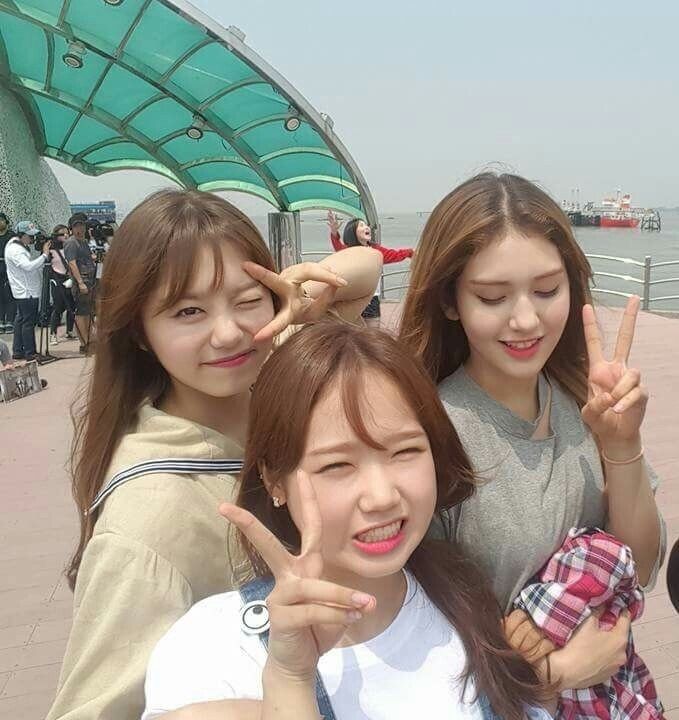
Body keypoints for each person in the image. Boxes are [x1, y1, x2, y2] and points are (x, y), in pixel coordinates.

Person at [46, 190, 382, 720]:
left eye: (247, 300)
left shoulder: (268, 376)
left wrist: (291, 300)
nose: (228, 334)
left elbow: (365, 269)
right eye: (189, 311)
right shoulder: (149, 519)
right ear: (138, 331)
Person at [143, 322, 550, 720]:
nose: (382, 497)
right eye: (337, 465)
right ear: (274, 480)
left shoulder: (464, 600)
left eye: (405, 452)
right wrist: (290, 679)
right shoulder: (214, 649)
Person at [399, 172, 666, 694]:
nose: (526, 320)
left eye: (547, 290)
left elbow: (642, 565)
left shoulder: (583, 398)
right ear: (450, 301)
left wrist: (622, 446)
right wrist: (553, 677)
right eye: (492, 297)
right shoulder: (428, 431)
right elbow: (410, 632)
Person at [327, 210, 414, 325]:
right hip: (352, 298)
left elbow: (393, 254)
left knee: (373, 330)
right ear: (352, 232)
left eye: (366, 225)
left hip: (372, 299)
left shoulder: (375, 250)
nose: (366, 227)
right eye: (361, 225)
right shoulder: (348, 251)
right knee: (353, 330)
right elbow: (338, 245)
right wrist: (334, 232)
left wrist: (410, 252)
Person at [3, 220, 51, 362]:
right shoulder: (15, 250)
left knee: (21, 320)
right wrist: (44, 255)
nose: (32, 239)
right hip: (26, 291)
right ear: (21, 235)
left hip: (24, 290)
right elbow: (28, 266)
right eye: (30, 236)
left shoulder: (17, 245)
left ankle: (18, 351)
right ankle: (31, 352)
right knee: (28, 323)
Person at [64, 214, 97, 353]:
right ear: (71, 228)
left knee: (88, 312)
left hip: (90, 280)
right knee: (81, 313)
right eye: (76, 226)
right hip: (82, 281)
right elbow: (72, 263)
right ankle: (84, 342)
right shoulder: (72, 242)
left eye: (82, 225)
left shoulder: (83, 241)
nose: (80, 228)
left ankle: (89, 339)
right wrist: (80, 282)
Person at [48, 224, 76, 344]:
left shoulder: (70, 247)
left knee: (72, 306)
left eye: (67, 233)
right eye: (62, 234)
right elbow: (46, 266)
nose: (65, 236)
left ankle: (69, 331)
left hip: (69, 278)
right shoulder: (51, 249)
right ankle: (53, 334)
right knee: (58, 307)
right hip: (57, 279)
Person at [0, 212, 16, 333]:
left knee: (9, 295)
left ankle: (10, 320)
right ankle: (1, 321)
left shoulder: (12, 236)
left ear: (6, 221)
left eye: (1, 220)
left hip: (9, 269)